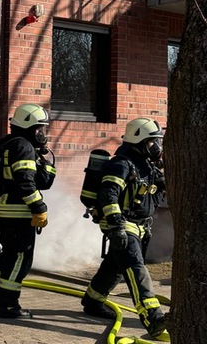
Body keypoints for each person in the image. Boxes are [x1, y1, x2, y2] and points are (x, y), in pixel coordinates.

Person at [80, 117, 167, 339]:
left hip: (140, 226)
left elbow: (162, 187)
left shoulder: (146, 165)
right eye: (154, 141)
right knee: (135, 268)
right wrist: (116, 225)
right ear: (140, 140)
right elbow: (108, 195)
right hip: (123, 224)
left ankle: (93, 300)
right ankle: (152, 317)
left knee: (115, 265)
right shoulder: (121, 164)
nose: (158, 146)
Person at [0, 103, 56, 319]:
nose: (42, 133)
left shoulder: (7, 143)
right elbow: (25, 181)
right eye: (40, 128)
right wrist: (39, 207)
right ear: (30, 126)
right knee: (20, 258)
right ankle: (8, 305)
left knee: (9, 254)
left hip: (2, 209)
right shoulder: (23, 146)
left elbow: (39, 180)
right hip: (17, 212)